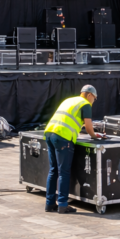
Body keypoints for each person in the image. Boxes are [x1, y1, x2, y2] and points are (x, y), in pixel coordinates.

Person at [44, 85, 101, 213]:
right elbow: (88, 127)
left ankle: (49, 203)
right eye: (94, 99)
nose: (93, 101)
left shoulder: (69, 100)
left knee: (53, 170)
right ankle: (63, 204)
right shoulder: (85, 103)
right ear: (89, 95)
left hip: (49, 133)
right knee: (64, 171)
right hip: (63, 137)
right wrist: (95, 136)